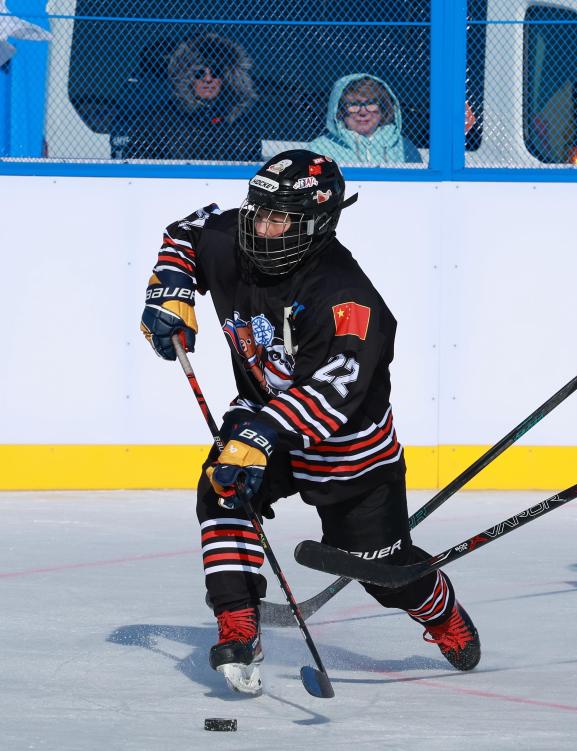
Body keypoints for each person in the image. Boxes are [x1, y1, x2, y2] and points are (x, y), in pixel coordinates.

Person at [139, 149, 479, 695]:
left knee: (382, 573)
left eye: (278, 218)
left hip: (347, 447)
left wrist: (262, 433)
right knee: (222, 489)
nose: (260, 226)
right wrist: (170, 290)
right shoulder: (237, 238)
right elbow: (187, 231)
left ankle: (438, 610)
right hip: (260, 415)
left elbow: (334, 394)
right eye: (257, 210)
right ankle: (237, 622)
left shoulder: (350, 299)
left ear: (317, 224)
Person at [122, 32, 261, 162]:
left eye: (216, 72)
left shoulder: (242, 125)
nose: (208, 79)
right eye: (199, 73)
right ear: (186, 77)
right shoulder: (157, 122)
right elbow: (136, 164)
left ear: (226, 77)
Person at [308, 73, 421, 164]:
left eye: (371, 103)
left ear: (383, 108)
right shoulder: (319, 149)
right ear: (340, 110)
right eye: (353, 104)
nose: (363, 112)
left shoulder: (404, 147)